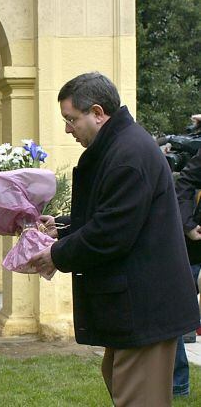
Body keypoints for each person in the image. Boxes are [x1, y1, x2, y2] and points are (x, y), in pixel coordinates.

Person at [29, 72, 200, 406]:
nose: (68, 129)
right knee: (125, 389)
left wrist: (56, 255)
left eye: (71, 120)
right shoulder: (120, 147)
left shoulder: (128, 155)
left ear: (97, 112)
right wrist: (62, 228)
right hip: (136, 306)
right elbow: (110, 215)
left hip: (146, 306)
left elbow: (111, 233)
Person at [170, 121, 201, 397]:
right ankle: (179, 384)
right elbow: (185, 184)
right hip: (196, 247)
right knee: (179, 310)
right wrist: (189, 225)